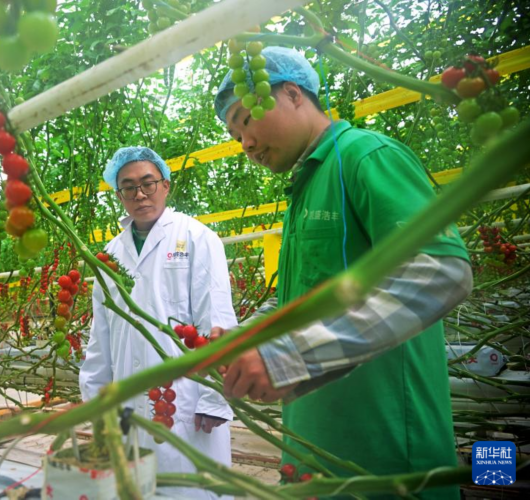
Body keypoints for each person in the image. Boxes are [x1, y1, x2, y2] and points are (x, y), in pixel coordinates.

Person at [211, 47, 473, 498]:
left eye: (246, 120)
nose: (246, 144)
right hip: (316, 458)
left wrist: (291, 357)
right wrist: (249, 335)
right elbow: (301, 298)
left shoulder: (365, 156)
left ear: (293, 94)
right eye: (235, 136)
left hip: (387, 462)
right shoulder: (305, 188)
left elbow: (441, 272)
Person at [79, 147, 236, 499]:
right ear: (119, 195)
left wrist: (214, 397)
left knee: (192, 488)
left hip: (185, 398)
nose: (140, 194)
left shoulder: (196, 237)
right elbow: (100, 335)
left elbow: (217, 318)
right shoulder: (110, 254)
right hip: (127, 399)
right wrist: (95, 397)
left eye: (148, 183)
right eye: (128, 187)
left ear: (165, 185)